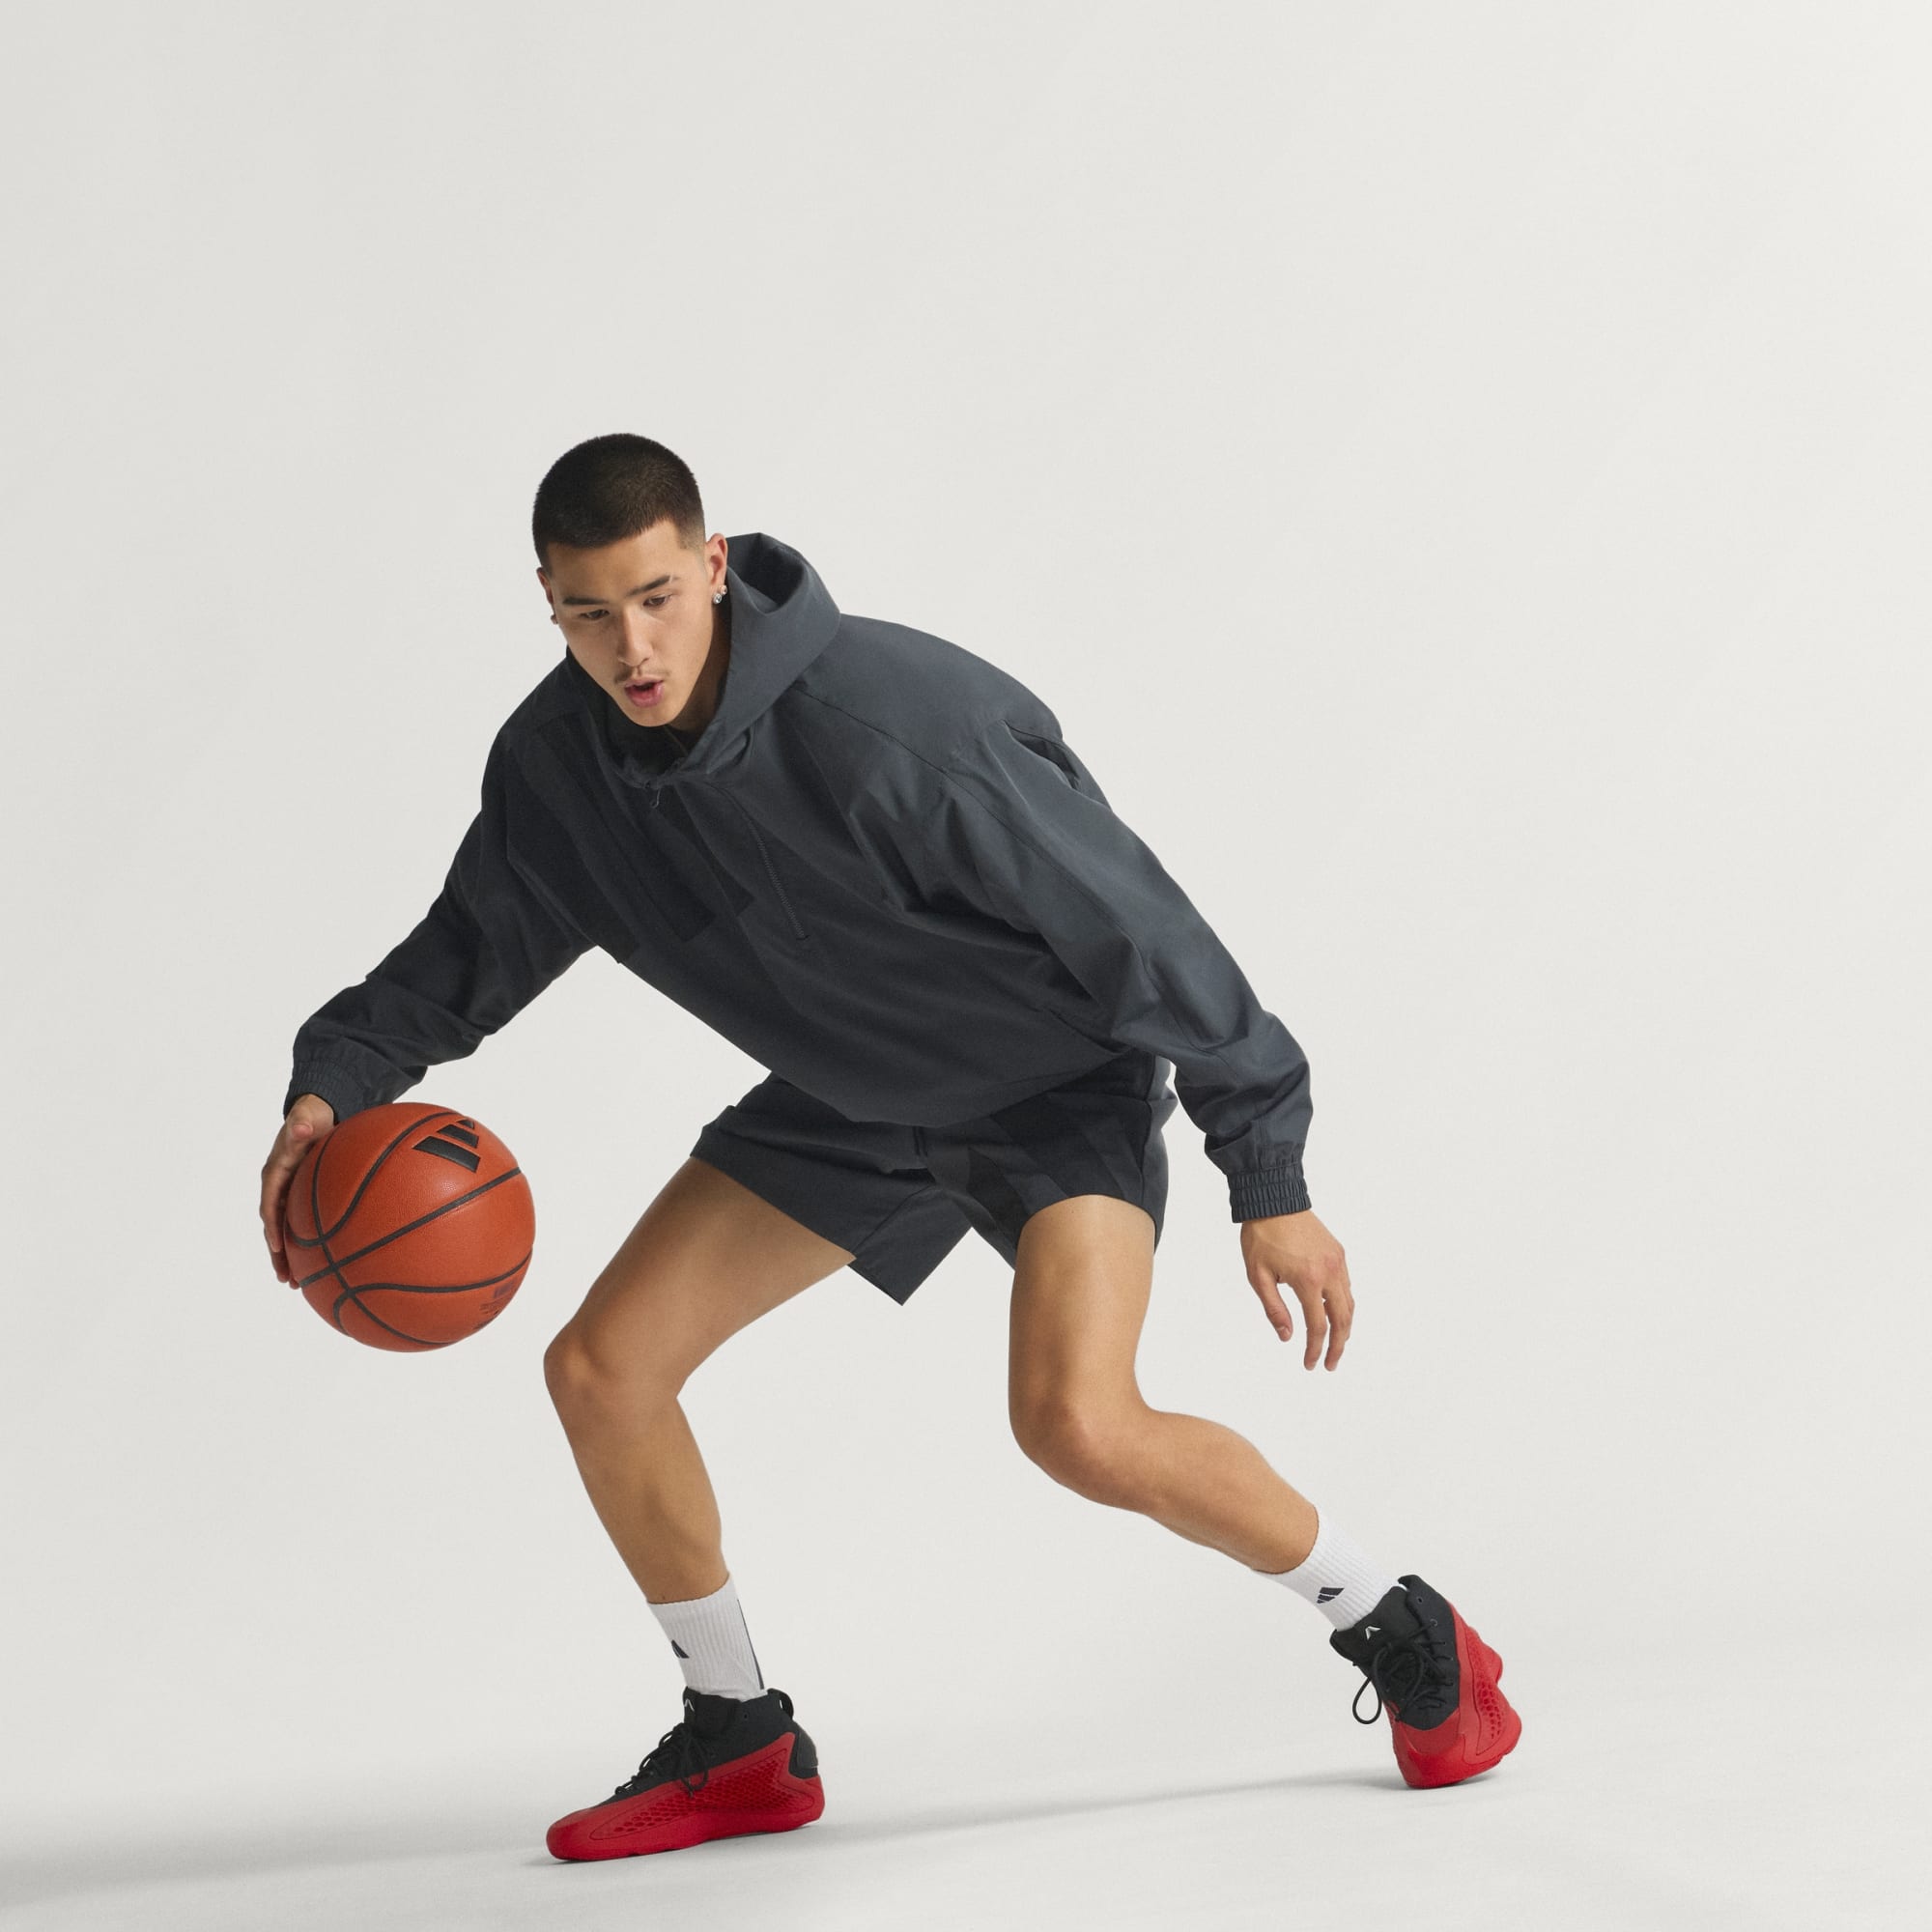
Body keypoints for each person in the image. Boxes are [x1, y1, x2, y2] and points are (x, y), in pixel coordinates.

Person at [259, 433, 1521, 1861]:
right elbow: (468, 949)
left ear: (713, 565)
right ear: (547, 601)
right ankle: (738, 1736)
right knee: (602, 1371)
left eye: (657, 597)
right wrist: (334, 1085)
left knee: (1079, 1423)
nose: (632, 647)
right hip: (849, 1099)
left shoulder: (897, 726)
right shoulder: (560, 769)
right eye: (590, 613)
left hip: (1052, 1089)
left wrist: (1269, 1176)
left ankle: (1401, 1627)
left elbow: (1145, 932)